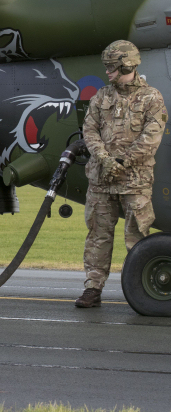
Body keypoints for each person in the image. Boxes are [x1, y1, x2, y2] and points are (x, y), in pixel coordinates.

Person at [77, 40, 167, 308]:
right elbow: (89, 130)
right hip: (101, 181)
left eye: (111, 67)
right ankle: (92, 288)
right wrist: (104, 159)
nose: (108, 72)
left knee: (137, 237)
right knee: (97, 236)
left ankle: (141, 290)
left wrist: (123, 162)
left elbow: (152, 137)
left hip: (134, 183)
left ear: (126, 64)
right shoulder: (101, 96)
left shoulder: (152, 97)